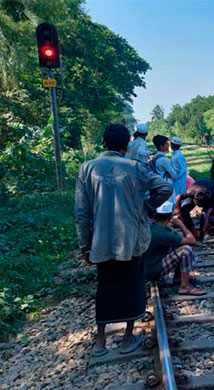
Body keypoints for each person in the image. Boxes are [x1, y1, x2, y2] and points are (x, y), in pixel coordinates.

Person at [74, 123, 172, 357]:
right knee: (132, 286)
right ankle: (127, 339)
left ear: (103, 143)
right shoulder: (135, 168)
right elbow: (165, 188)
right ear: (126, 144)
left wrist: (85, 245)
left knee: (106, 287)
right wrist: (147, 207)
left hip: (101, 241)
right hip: (132, 240)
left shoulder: (87, 168)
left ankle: (100, 343)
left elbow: (82, 213)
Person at [144, 201, 205, 296]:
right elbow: (192, 241)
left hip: (147, 267)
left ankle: (178, 278)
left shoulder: (155, 227)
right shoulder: (162, 233)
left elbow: (178, 238)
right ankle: (185, 286)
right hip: (152, 270)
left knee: (179, 245)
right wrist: (181, 225)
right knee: (186, 250)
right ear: (169, 217)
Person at [175, 176, 214, 240]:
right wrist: (179, 213)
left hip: (209, 192)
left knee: (204, 215)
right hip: (197, 188)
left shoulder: (212, 197)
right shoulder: (190, 192)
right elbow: (177, 198)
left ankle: (202, 234)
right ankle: (193, 231)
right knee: (184, 209)